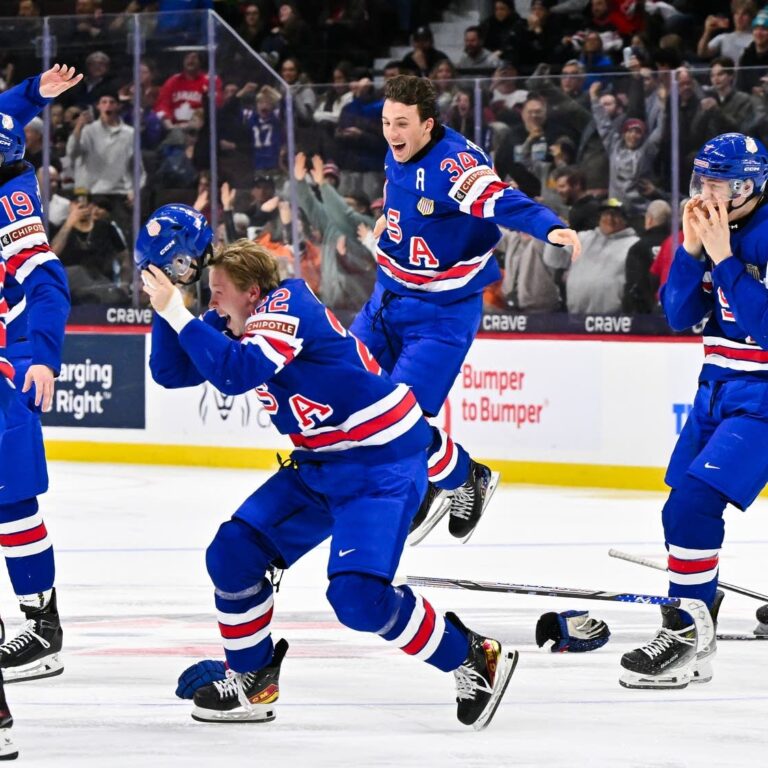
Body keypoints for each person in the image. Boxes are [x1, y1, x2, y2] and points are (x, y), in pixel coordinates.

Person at [135, 204, 518, 727]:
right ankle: (253, 680)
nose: (211, 304)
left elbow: (235, 374)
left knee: (358, 597)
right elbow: (171, 371)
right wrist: (166, 304)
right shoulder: (237, 321)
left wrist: (177, 312)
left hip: (381, 467)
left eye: (217, 293)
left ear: (251, 292)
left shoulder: (288, 304)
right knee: (232, 554)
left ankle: (472, 655)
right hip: (320, 466)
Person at [350, 75, 580, 542]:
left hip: (438, 316)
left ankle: (463, 478)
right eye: (385, 122)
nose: (391, 132)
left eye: (401, 124)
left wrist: (550, 227)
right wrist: (392, 225)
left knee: (400, 419)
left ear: (428, 124)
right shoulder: (400, 149)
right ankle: (416, 487)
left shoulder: (454, 165)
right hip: (385, 300)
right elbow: (412, 201)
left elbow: (501, 200)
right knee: (347, 393)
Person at [620, 133, 768, 689]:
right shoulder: (709, 228)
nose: (705, 193)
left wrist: (726, 258)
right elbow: (681, 315)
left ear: (748, 186)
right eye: (701, 181)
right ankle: (694, 625)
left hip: (762, 397)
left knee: (691, 506)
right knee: (681, 509)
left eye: (717, 183)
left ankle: (687, 635)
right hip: (718, 389)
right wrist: (690, 251)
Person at [0, 64, 81, 684]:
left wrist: (44, 359)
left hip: (11, 363)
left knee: (12, 498)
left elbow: (48, 285)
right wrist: (32, 91)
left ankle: (42, 626)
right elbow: (7, 106)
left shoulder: (10, 205)